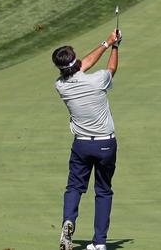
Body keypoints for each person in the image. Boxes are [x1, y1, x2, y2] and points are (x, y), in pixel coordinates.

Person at [52, 28, 122, 250]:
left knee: (74, 188)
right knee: (103, 191)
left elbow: (81, 66)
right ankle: (99, 242)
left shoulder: (60, 85)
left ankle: (68, 222)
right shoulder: (98, 80)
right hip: (105, 144)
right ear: (76, 61)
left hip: (81, 145)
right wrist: (115, 46)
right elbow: (111, 68)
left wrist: (106, 42)